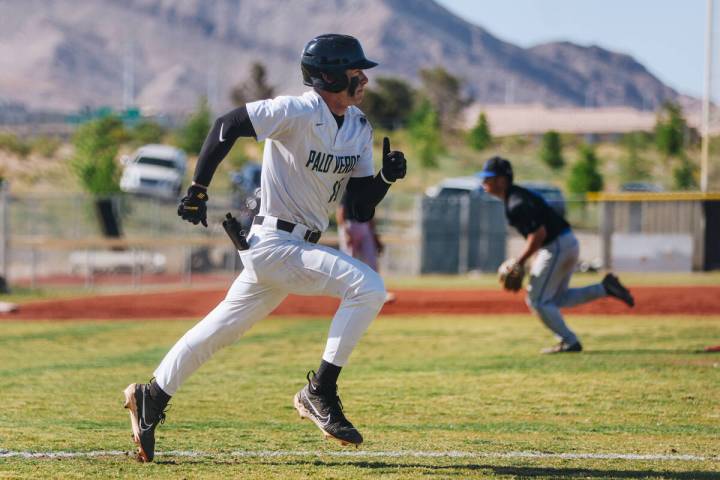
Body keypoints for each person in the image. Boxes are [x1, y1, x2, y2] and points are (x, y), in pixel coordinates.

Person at [123, 33, 407, 462]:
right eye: (355, 70)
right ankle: (319, 391)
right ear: (329, 75)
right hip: (274, 241)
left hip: (288, 247)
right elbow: (227, 124)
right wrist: (198, 187)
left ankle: (152, 395)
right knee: (367, 287)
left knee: (219, 331)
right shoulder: (296, 110)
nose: (363, 77)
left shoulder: (359, 126)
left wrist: (385, 179)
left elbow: (361, 208)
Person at [479, 156, 634, 354]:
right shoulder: (517, 197)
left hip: (556, 246)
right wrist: (530, 262)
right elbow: (538, 236)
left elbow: (539, 234)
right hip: (563, 243)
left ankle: (569, 341)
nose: (484, 183)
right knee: (557, 298)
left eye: (488, 178)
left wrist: (519, 262)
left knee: (537, 301)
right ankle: (605, 288)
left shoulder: (516, 203)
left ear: (502, 180)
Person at [336, 193, 396, 303]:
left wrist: (375, 237)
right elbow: (340, 213)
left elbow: (370, 216)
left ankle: (379, 292)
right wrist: (345, 232)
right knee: (348, 262)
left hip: (365, 226)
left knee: (371, 260)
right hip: (349, 226)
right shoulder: (349, 191)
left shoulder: (367, 192)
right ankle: (347, 294)